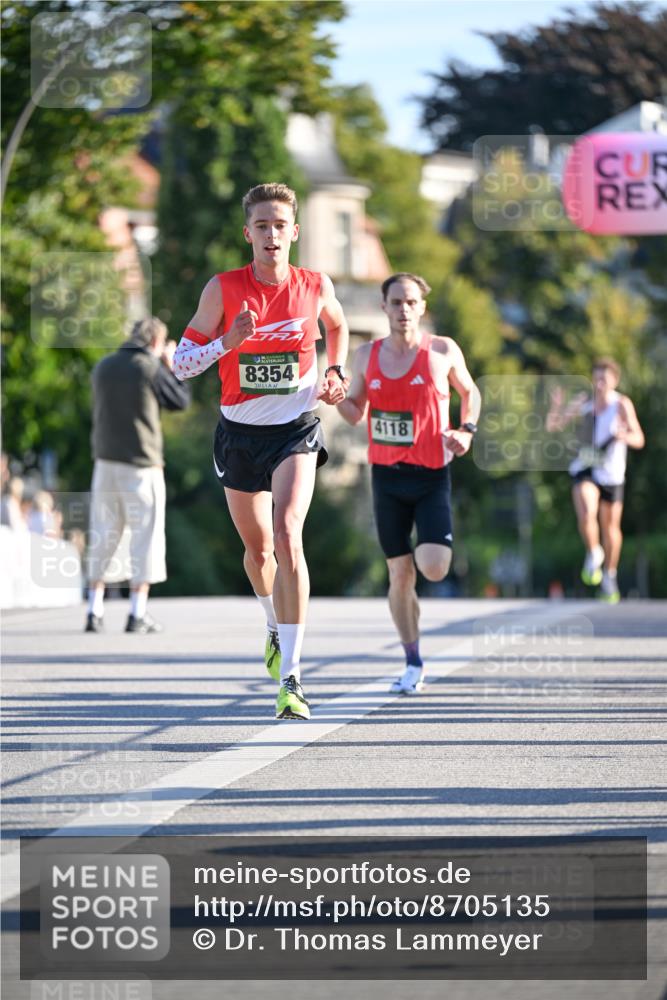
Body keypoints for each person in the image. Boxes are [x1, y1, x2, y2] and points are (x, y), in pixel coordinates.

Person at [173, 182, 348, 721]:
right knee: (258, 552)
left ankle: (291, 678)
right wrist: (227, 342)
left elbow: (337, 325)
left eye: (280, 225)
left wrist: (336, 371)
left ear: (295, 232)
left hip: (296, 430)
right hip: (239, 435)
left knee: (288, 535)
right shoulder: (223, 289)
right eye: (262, 225)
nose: (272, 234)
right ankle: (273, 623)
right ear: (247, 233)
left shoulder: (315, 284)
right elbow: (181, 364)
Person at [337, 273, 479, 694]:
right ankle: (413, 661)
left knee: (433, 567)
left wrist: (466, 431)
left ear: (422, 307)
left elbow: (470, 392)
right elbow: (354, 412)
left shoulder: (442, 350)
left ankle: (417, 589)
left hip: (431, 476)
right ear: (384, 307)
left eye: (411, 302)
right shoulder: (366, 356)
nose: (403, 310)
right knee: (399, 575)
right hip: (386, 478)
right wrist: (335, 398)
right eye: (396, 302)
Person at [86, 317, 191, 633]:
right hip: (142, 465)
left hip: (104, 461)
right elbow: (180, 401)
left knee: (104, 534)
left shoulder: (103, 366)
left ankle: (94, 609)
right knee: (146, 536)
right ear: (156, 341)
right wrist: (172, 365)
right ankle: (137, 612)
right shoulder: (149, 367)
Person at [552, 358, 644, 603]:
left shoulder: (621, 404)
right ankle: (594, 552)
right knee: (586, 510)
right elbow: (555, 426)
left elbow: (639, 438)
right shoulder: (584, 402)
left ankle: (609, 575)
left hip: (612, 473)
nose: (599, 383)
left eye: (604, 378)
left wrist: (624, 436)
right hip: (586, 467)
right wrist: (557, 407)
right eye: (596, 378)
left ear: (615, 380)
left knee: (611, 527)